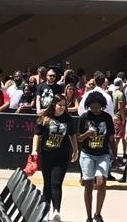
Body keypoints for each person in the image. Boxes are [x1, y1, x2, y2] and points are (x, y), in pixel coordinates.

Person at [33, 96, 77, 222]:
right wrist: (34, 150)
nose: (62, 107)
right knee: (47, 184)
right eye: (60, 105)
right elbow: (37, 135)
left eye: (64, 105)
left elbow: (72, 135)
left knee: (56, 183)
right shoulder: (45, 118)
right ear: (54, 105)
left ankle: (56, 211)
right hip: (46, 155)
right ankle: (45, 211)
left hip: (61, 155)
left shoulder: (67, 118)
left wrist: (75, 150)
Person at [77, 91, 113, 222]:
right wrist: (87, 133)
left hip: (103, 154)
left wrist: (114, 154)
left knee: (101, 182)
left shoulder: (107, 118)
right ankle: (88, 216)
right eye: (93, 108)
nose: (96, 110)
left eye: (98, 107)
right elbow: (78, 139)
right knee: (88, 185)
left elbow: (111, 138)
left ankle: (98, 213)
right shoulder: (84, 117)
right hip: (87, 154)